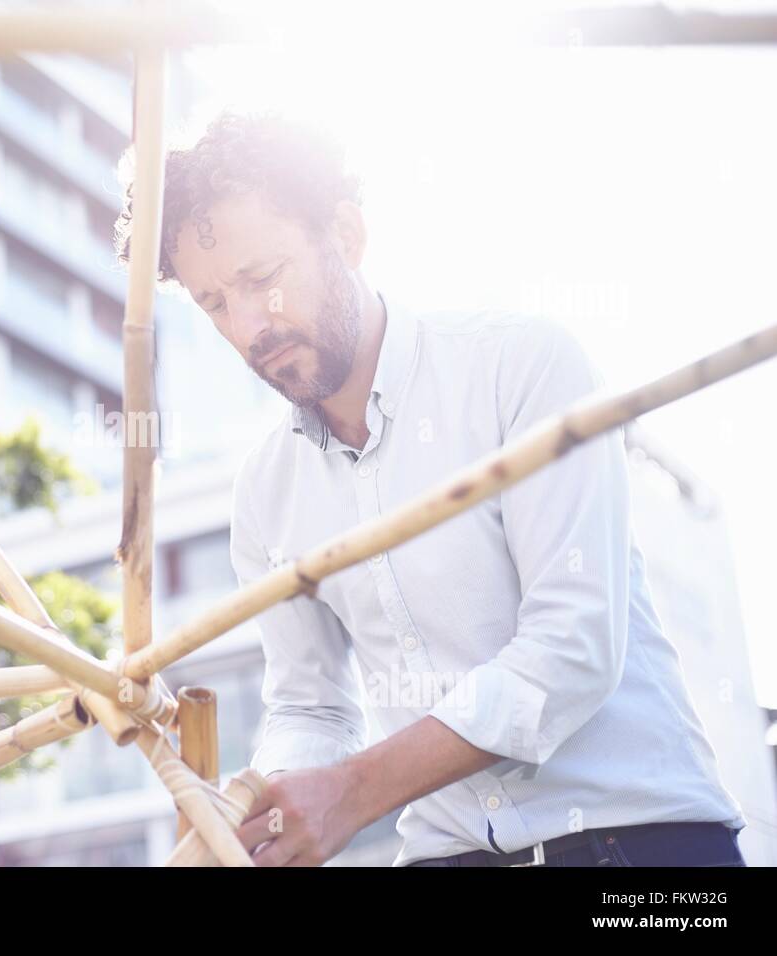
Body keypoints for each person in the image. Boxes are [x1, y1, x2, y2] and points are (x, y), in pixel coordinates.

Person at [115, 110, 748, 867]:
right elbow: (309, 703)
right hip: (447, 854)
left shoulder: (521, 365)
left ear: (345, 237)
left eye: (262, 279)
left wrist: (352, 790)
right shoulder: (264, 494)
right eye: (215, 303)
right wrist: (262, 799)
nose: (250, 326)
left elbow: (572, 645)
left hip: (642, 848)